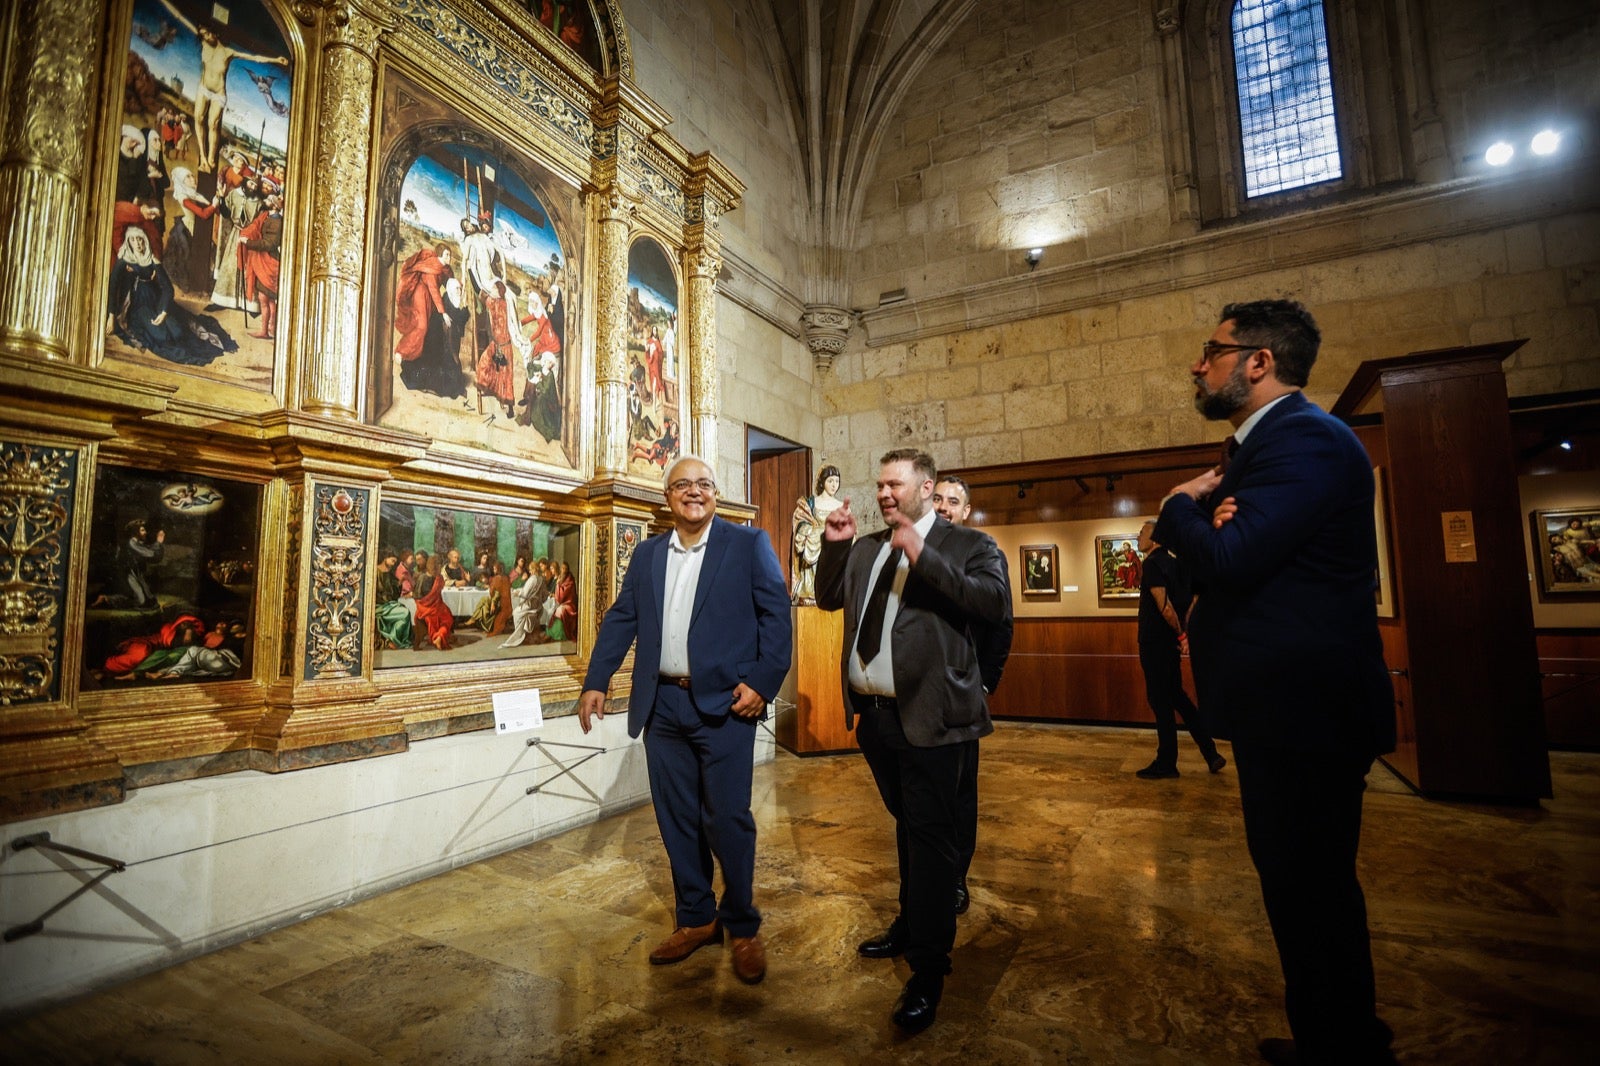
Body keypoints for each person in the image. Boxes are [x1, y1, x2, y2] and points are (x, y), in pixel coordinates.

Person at [1154, 299, 1397, 1066]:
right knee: (1297, 892)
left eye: (1212, 350)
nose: (1200, 365)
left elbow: (1231, 557)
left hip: (1307, 713)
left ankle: (1349, 1050)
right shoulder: (1262, 450)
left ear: (1258, 361)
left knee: (1313, 894)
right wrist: (1212, 518)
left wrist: (1174, 509)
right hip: (1283, 714)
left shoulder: (1306, 442)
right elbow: (1235, 548)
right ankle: (1331, 1038)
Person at [814, 448, 1011, 1034]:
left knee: (930, 840)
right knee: (908, 825)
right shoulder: (870, 546)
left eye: (894, 483)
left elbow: (993, 605)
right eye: (878, 484)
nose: (883, 493)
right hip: (874, 718)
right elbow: (828, 598)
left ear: (926, 488)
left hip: (932, 717)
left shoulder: (970, 547)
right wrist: (835, 544)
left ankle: (928, 970)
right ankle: (909, 921)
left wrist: (924, 555)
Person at [578, 455, 792, 986]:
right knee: (676, 819)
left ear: (715, 494)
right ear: (667, 498)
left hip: (725, 705)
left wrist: (764, 682)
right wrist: (596, 680)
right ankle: (697, 918)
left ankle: (742, 925)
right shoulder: (649, 554)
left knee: (727, 818)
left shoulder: (747, 546)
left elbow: (775, 616)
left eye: (702, 484)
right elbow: (622, 617)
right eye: (681, 486)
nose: (693, 493)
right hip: (663, 705)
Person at [930, 474, 1012, 916]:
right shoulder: (913, 550)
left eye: (952, 501)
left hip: (962, 693)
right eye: (937, 497)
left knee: (961, 793)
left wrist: (984, 682)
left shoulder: (982, 552)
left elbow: (1001, 624)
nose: (943, 506)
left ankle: (957, 878)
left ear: (965, 512)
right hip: (919, 695)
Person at [1132, 519, 1226, 780]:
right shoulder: (1177, 564)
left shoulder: (1152, 564)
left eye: (1143, 532)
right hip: (1169, 644)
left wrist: (1181, 633)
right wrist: (1184, 634)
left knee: (1160, 702)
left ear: (1157, 537)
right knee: (1178, 699)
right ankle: (1210, 752)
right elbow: (1190, 601)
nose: (1139, 536)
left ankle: (1166, 762)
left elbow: (1165, 608)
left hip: (1155, 643)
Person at [155, 0, 288, 172]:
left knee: (212, 124)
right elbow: (179, 17)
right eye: (202, 35)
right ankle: (203, 157)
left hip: (218, 93)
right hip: (203, 88)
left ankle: (210, 158)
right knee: (198, 120)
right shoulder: (203, 44)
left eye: (207, 34)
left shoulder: (227, 52)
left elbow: (254, 57)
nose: (205, 37)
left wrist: (276, 59)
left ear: (214, 33)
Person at [790, 465, 843, 603]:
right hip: (814, 548)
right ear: (822, 481)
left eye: (836, 481)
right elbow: (800, 520)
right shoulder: (811, 503)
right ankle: (812, 593)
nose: (834, 485)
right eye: (830, 481)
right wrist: (808, 531)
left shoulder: (841, 505)